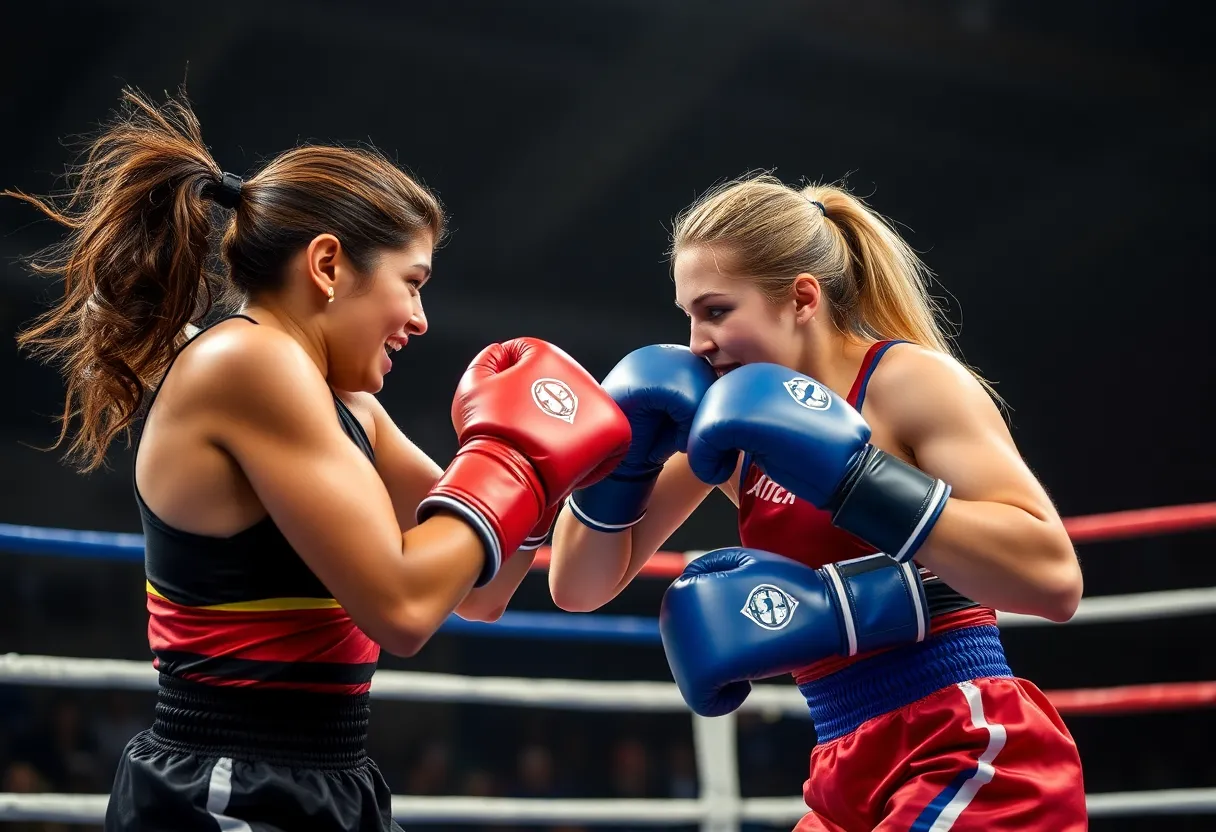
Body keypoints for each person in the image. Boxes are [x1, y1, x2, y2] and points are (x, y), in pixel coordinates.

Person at [7, 87, 632, 831]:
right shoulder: (244, 361)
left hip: (330, 779)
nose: (421, 319)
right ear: (329, 265)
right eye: (413, 282)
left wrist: (573, 468)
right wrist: (512, 458)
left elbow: (479, 591)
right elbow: (402, 609)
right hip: (227, 788)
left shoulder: (352, 408)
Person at [547, 174, 1087, 830]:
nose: (696, 342)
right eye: (688, 314)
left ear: (801, 298)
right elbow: (579, 587)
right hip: (841, 762)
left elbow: (1054, 579)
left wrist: (856, 479)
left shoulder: (909, 383)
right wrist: (624, 465)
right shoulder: (731, 424)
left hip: (966, 743)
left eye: (716, 311)